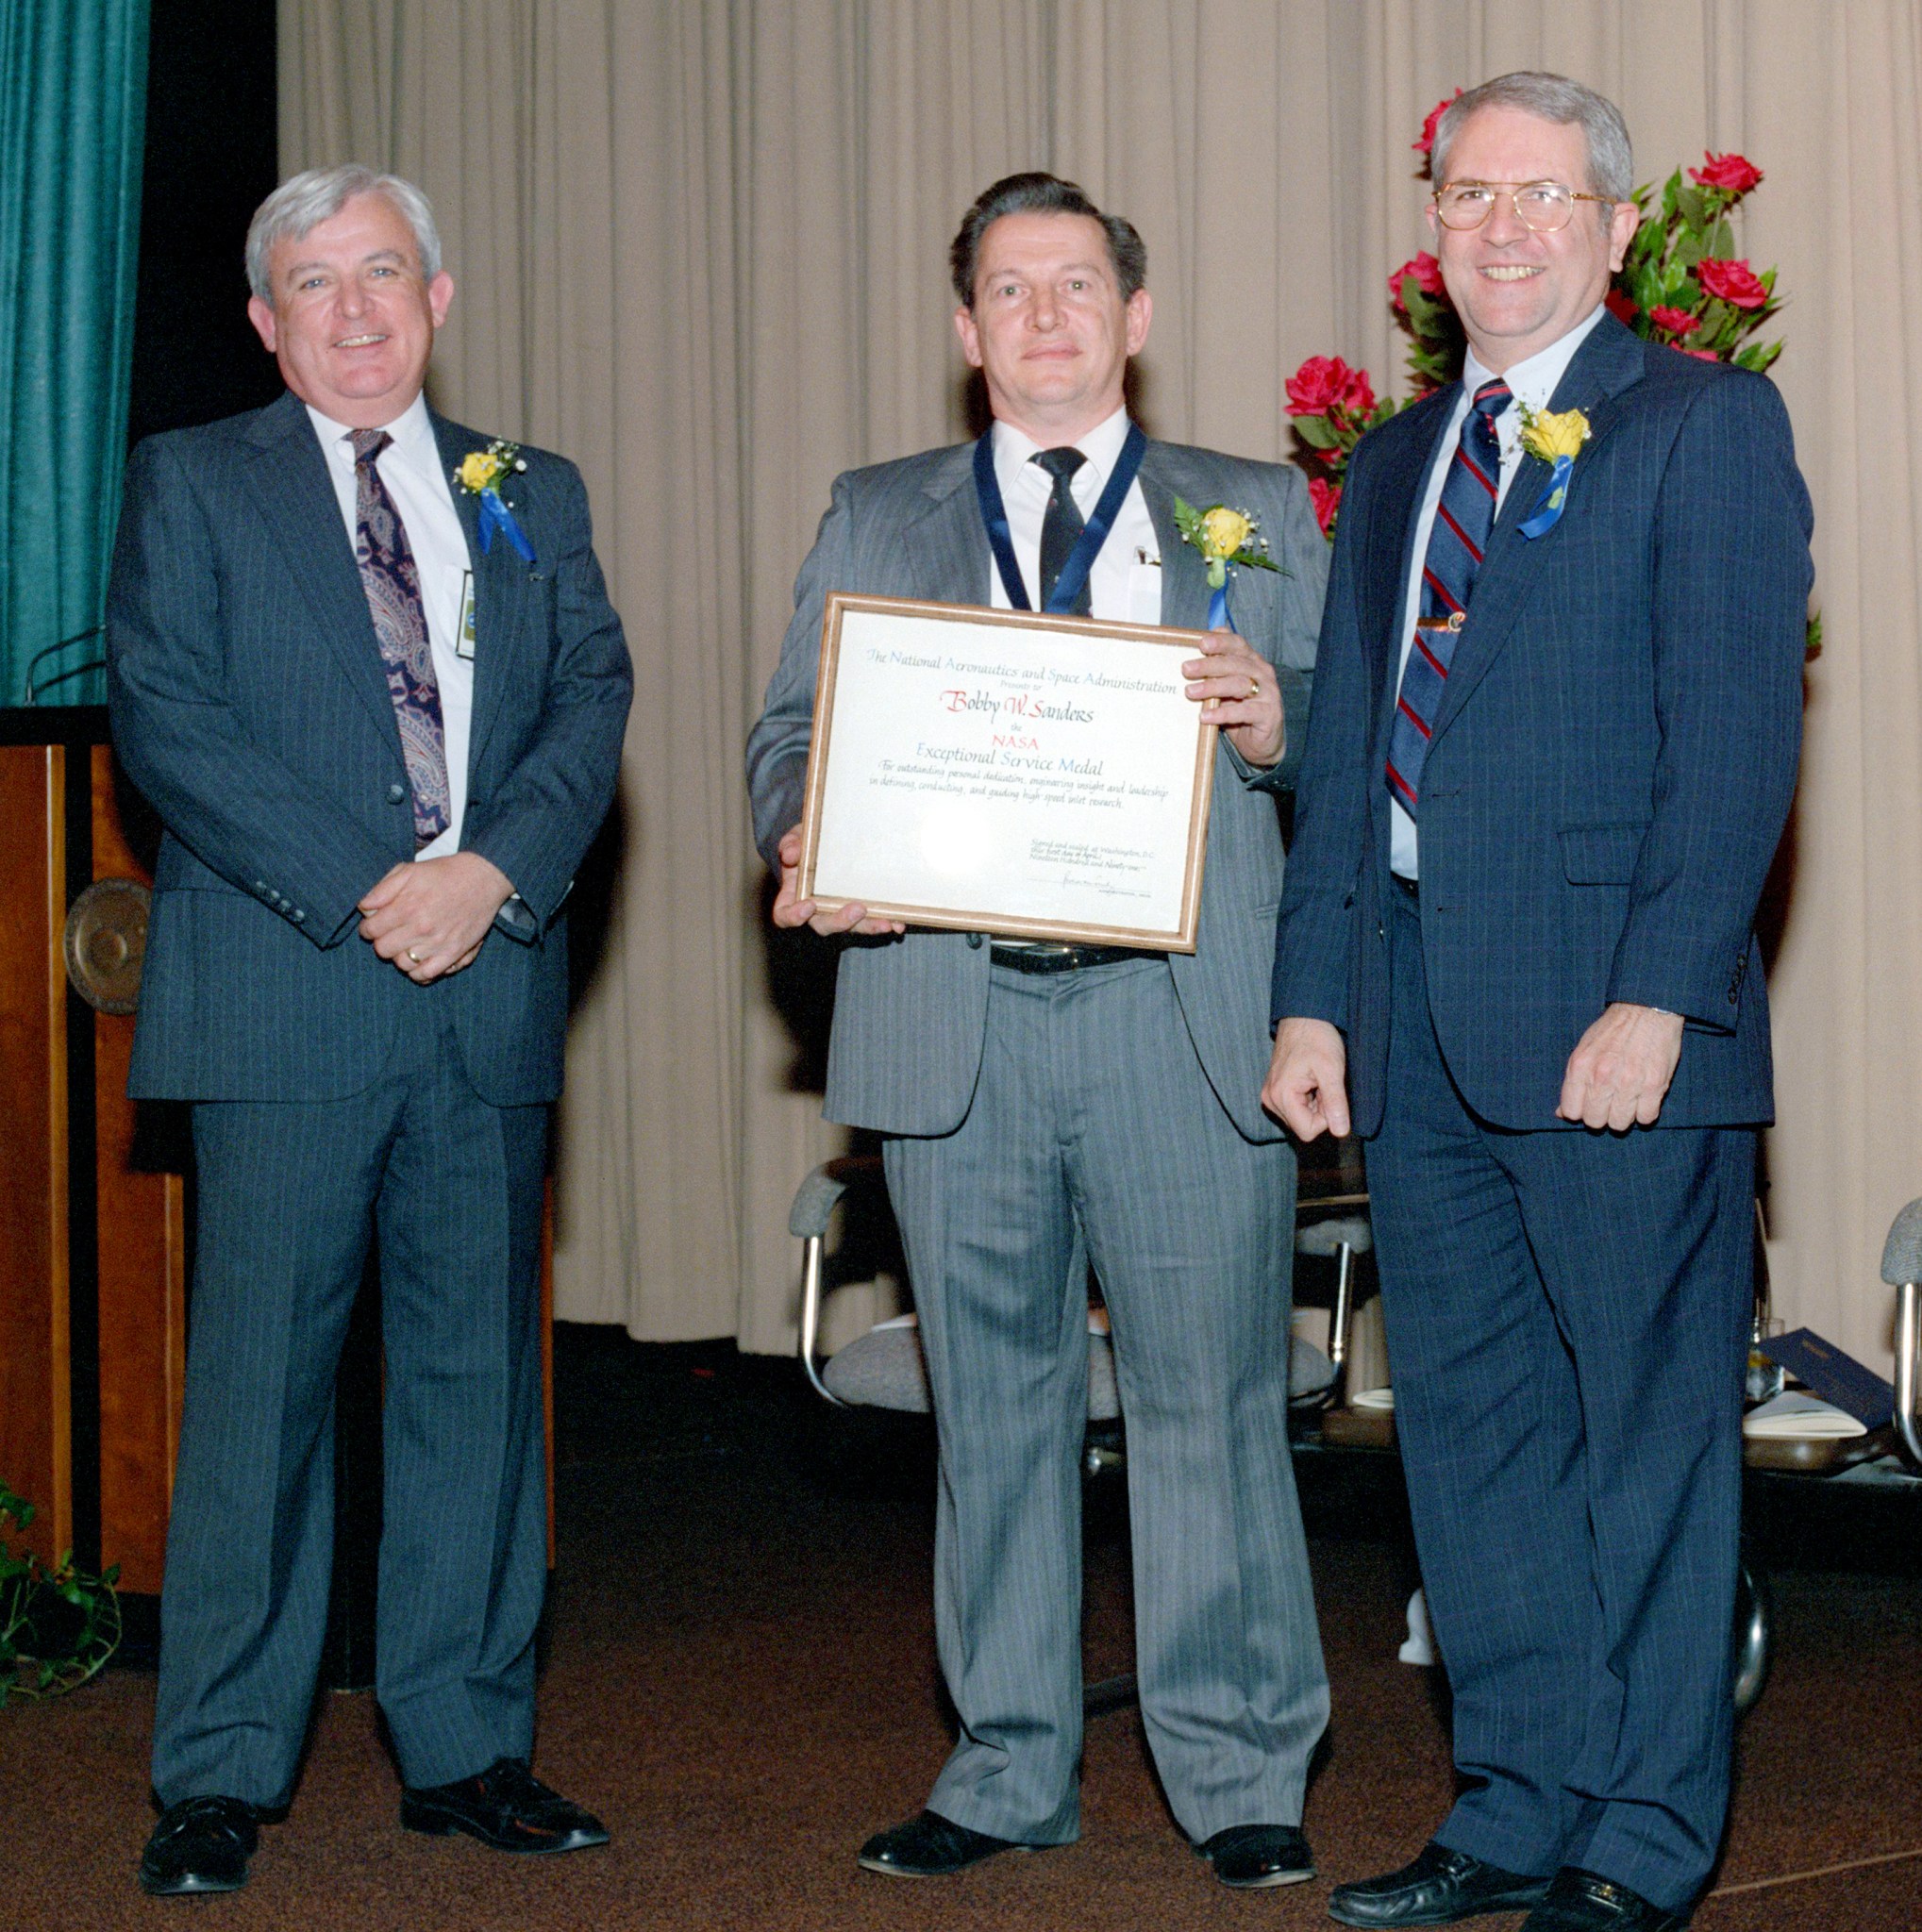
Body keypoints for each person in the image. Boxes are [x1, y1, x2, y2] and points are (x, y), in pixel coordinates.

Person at [1264, 75, 1811, 1932]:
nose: (1497, 225)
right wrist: (1311, 999)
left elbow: (1734, 744)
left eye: (1536, 196)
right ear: (1429, 227)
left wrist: (1656, 995)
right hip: (1412, 1026)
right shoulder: (1405, 462)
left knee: (1641, 1454)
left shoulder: (1701, 422)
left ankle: (1641, 1839)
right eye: (1464, 194)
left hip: (1609, 1038)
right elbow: (1344, 758)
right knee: (1472, 1444)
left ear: (1603, 221)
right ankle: (1506, 1807)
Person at [747, 172, 1329, 1889]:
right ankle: (1006, 1762)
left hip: (1176, 1018)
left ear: (1136, 319)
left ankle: (1235, 1769)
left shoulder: (1262, 505)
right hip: (955, 1013)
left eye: (1078, 286)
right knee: (986, 1407)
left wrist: (1277, 722)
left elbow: (1353, 744)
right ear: (964, 331)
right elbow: (791, 728)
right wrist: (806, 834)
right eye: (1010, 291)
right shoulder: (878, 508)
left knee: (1208, 1402)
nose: (1047, 319)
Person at [109, 165, 632, 1896]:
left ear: (439, 291)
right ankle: (219, 1771)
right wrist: (370, 884)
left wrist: (487, 872)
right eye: (312, 283)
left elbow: (587, 694)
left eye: (381, 272)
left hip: (482, 983)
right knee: (259, 1390)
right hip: (287, 988)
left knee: (476, 1388)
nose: (352, 309)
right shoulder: (192, 481)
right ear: (264, 321)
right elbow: (167, 714)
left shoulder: (524, 487)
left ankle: (468, 1744)